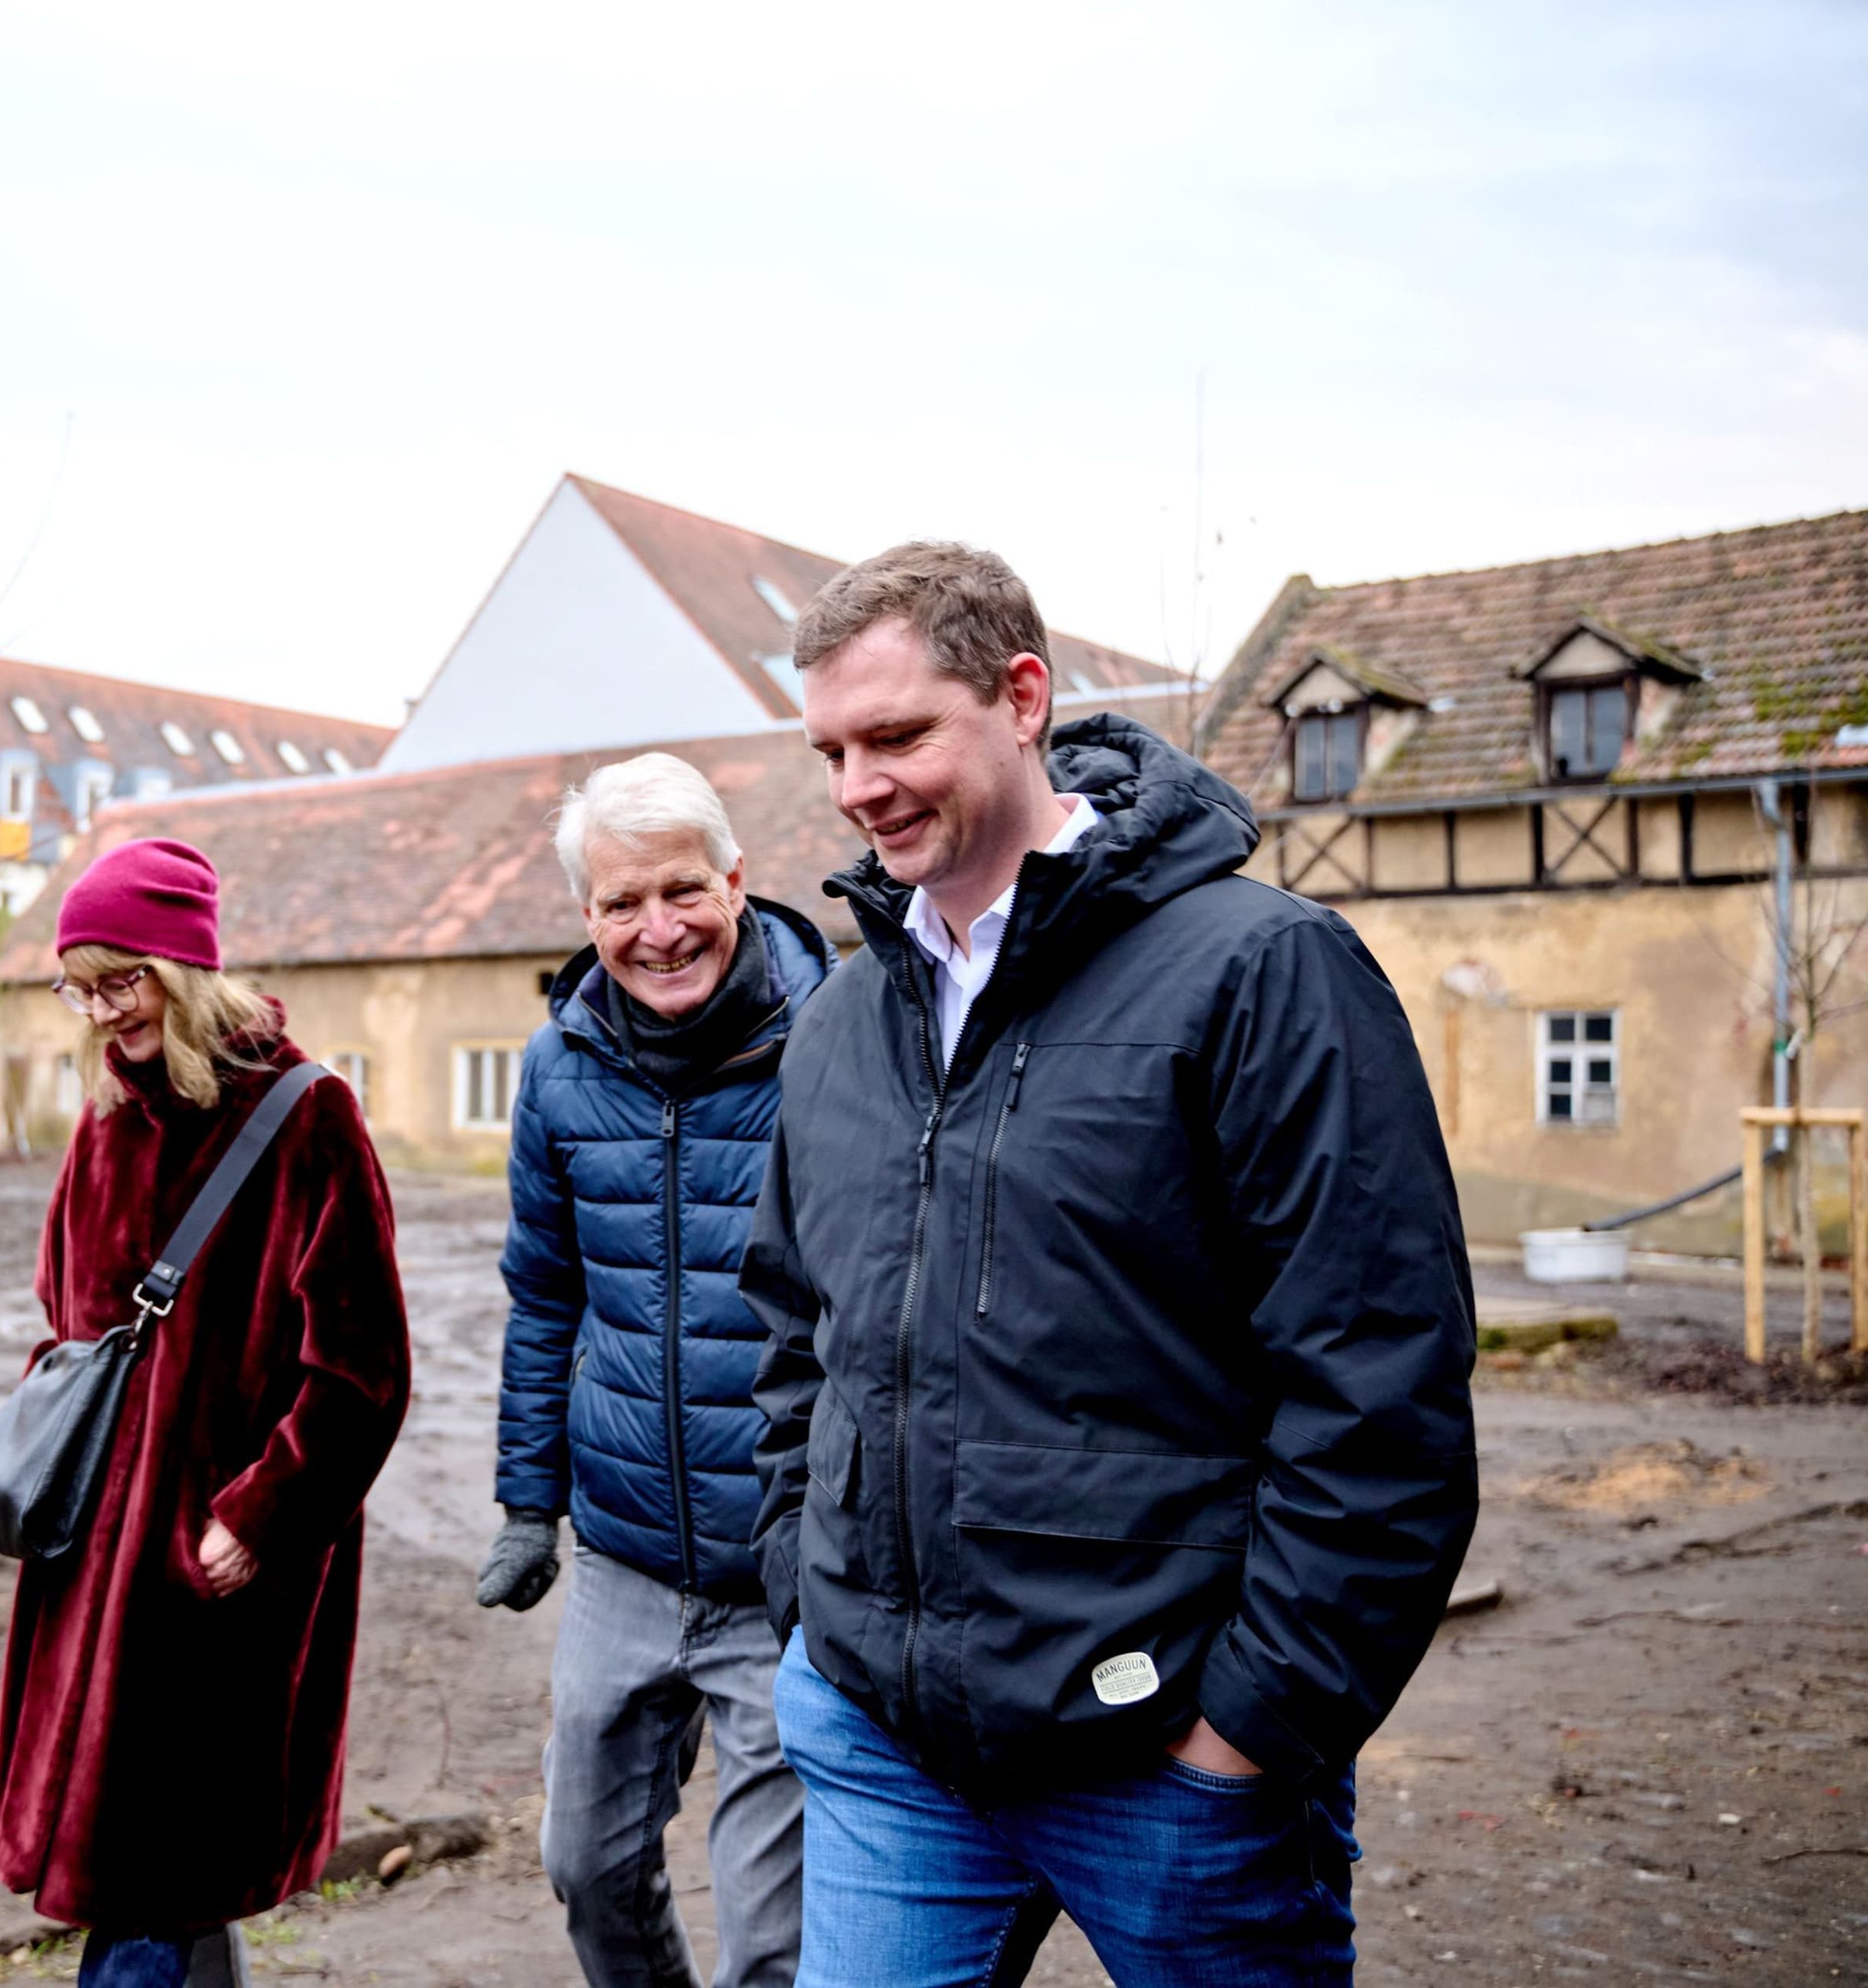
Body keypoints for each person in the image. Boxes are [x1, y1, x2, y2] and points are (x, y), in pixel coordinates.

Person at [743, 543, 1477, 1986]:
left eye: (898, 736)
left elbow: (1380, 1384)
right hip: (885, 1749)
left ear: (1024, 698)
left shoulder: (1261, 971)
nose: (856, 787)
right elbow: (790, 1338)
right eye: (832, 749)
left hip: (1171, 1765)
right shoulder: (837, 1021)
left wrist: (1251, 1727)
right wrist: (810, 1607)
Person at [0, 837, 412, 1988]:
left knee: (151, 1887)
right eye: (78, 984)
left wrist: (254, 1516)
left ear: (183, 971)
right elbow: (62, 1319)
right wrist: (57, 1443)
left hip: (214, 1574)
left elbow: (362, 1372)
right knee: (158, 1887)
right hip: (91, 1566)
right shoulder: (105, 1124)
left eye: (121, 978)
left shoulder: (305, 1117)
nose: (99, 1010)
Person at [482, 752, 831, 1988]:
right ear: (588, 915)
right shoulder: (557, 1069)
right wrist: (530, 1503)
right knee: (588, 1864)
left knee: (773, 1937)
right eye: (622, 903)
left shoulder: (836, 1043)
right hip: (623, 1560)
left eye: (683, 890)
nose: (658, 928)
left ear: (737, 881)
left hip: (779, 1570)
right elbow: (546, 1298)